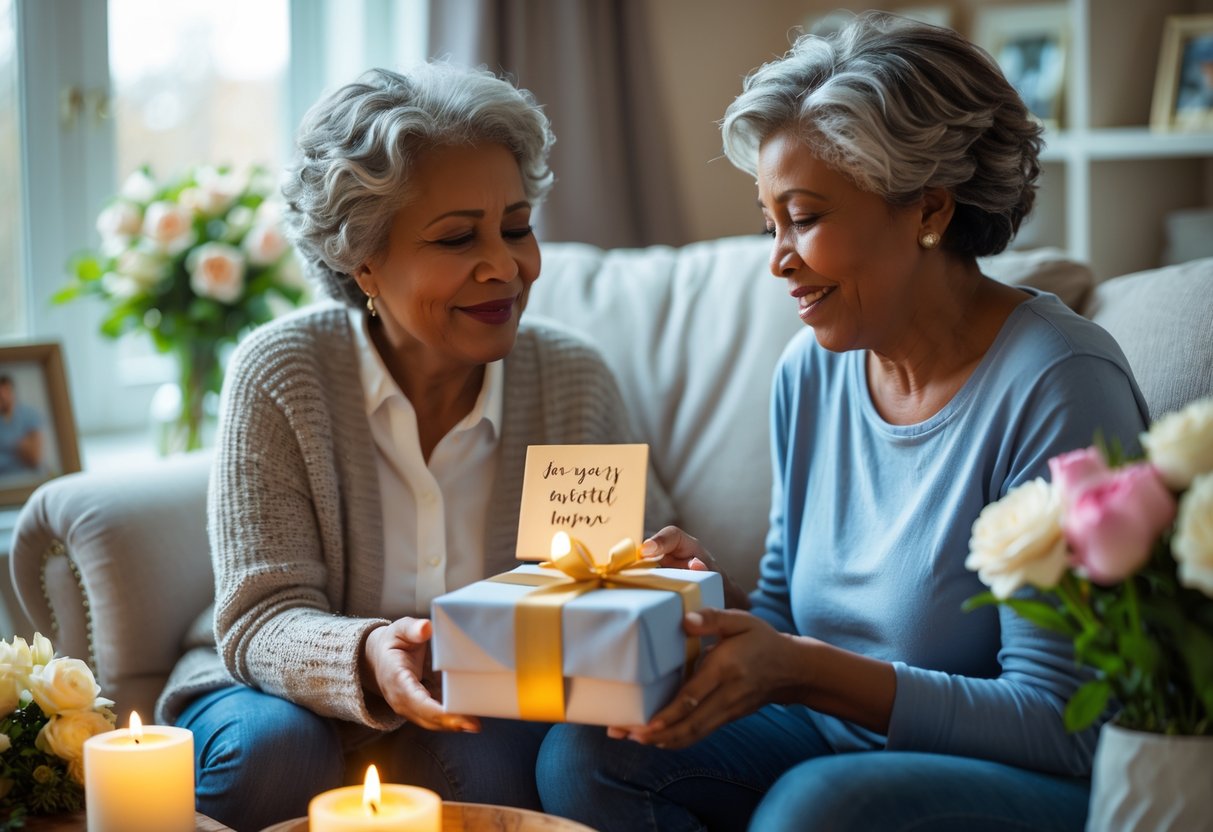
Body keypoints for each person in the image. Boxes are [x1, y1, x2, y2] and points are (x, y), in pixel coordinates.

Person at [536, 13, 1148, 832]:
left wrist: (797, 670)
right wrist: (699, 599)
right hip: (829, 740)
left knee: (816, 807)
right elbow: (789, 620)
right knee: (585, 753)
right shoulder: (812, 369)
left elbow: (1059, 721)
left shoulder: (1058, 383)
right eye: (769, 222)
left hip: (1015, 771)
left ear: (927, 208)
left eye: (805, 217)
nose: (777, 259)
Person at [154, 63, 675, 832]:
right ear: (360, 258)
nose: (504, 265)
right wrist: (368, 653)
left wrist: (653, 582)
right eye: (457, 237)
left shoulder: (568, 380)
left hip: (483, 706)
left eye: (517, 225)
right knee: (275, 752)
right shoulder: (282, 373)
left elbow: (603, 592)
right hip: (279, 691)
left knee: (490, 757)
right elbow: (262, 617)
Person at [0, 374, 45, 478]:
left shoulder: (29, 415)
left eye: (4, 392)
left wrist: (22, 446)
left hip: (26, 476)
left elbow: (35, 458)